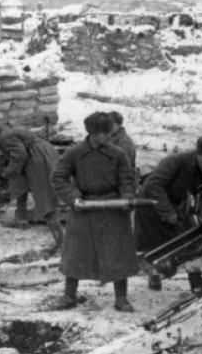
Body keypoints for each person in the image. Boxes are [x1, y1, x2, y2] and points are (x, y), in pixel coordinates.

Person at [51, 112, 138, 312]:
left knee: (118, 253)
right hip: (84, 208)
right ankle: (69, 295)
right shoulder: (74, 153)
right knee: (76, 254)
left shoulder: (118, 153)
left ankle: (121, 298)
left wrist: (126, 197)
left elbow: (127, 179)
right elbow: (59, 178)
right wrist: (74, 198)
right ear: (92, 133)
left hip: (112, 208)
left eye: (109, 131)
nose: (108, 135)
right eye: (104, 132)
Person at [134, 136, 202, 294]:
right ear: (198, 154)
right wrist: (169, 213)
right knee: (154, 245)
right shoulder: (174, 161)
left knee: (191, 239)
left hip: (174, 203)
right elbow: (154, 185)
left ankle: (196, 282)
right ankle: (154, 273)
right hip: (150, 204)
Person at [0, 120, 63, 251]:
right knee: (27, 187)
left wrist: (8, 172)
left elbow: (19, 154)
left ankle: (61, 242)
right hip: (40, 154)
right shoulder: (8, 132)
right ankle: (24, 220)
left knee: (45, 199)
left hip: (38, 159)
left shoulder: (4, 137)